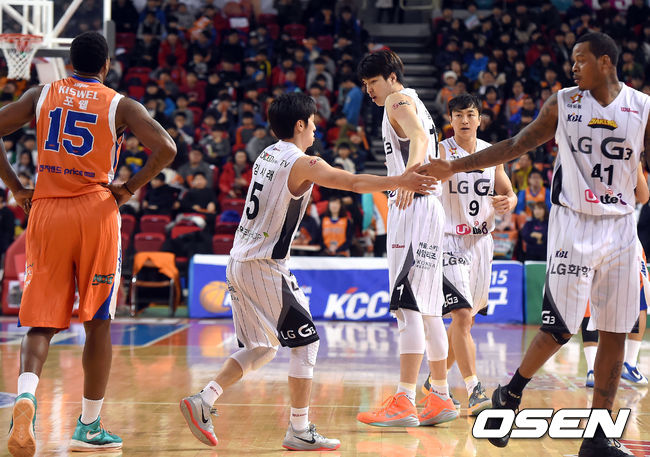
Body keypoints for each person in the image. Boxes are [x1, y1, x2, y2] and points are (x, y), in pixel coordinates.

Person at [419, 32, 650, 457]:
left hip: (621, 226)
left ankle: (598, 436)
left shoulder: (642, 107)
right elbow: (514, 145)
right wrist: (453, 166)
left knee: (616, 333)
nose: (573, 67)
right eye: (572, 60)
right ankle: (511, 392)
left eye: (580, 59)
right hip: (574, 223)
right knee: (560, 328)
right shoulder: (563, 103)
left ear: (605, 62)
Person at [178, 92, 435, 451]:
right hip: (264, 265)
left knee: (263, 348)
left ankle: (204, 399)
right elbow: (353, 182)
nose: (316, 129)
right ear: (300, 125)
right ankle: (299, 428)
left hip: (239, 261)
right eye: (313, 123)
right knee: (307, 343)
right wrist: (401, 181)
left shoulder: (267, 154)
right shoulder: (302, 163)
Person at [2, 32, 176, 457]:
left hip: (46, 210)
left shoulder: (41, 95)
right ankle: (89, 427)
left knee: (41, 321)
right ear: (106, 65)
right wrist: (129, 187)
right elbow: (167, 148)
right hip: (96, 212)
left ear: (68, 63)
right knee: (97, 321)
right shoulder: (121, 105)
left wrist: (17, 187)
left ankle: (26, 395)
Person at [355, 49, 459, 428]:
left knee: (409, 306)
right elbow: (421, 136)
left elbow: (416, 137)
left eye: (373, 82)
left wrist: (408, 177)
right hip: (429, 208)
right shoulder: (416, 101)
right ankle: (441, 396)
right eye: (365, 84)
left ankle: (404, 399)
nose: (369, 90)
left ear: (392, 77)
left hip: (413, 206)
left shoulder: (397, 100)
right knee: (429, 309)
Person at [421, 93, 517, 416]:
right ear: (450, 120)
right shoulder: (439, 152)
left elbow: (508, 191)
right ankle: (475, 390)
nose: (464, 120)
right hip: (449, 240)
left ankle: (433, 381)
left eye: (470, 114)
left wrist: (509, 201)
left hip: (482, 243)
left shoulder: (492, 153)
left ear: (479, 120)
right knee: (461, 316)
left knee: (467, 321)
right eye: (458, 115)